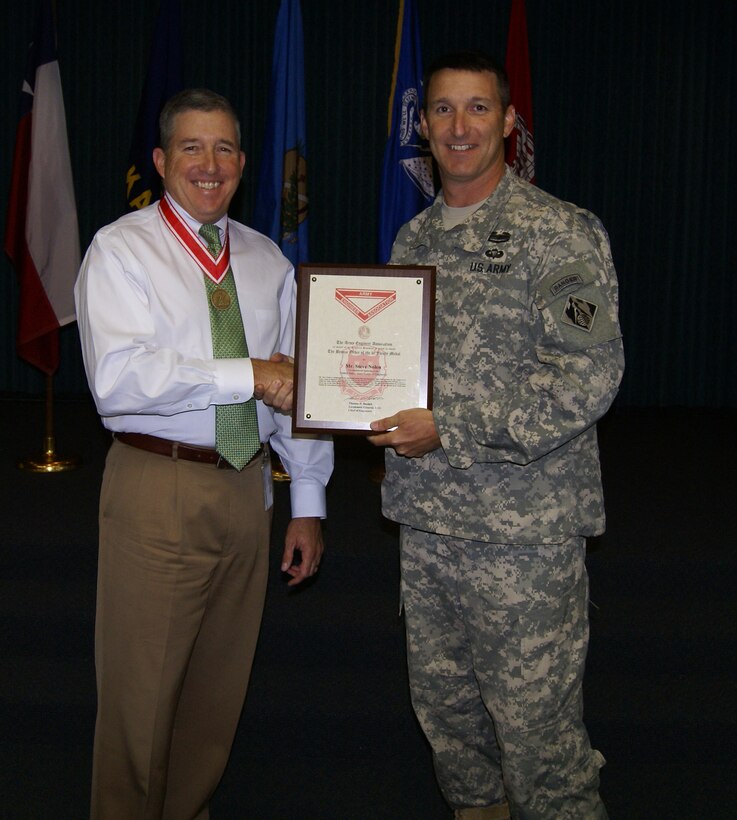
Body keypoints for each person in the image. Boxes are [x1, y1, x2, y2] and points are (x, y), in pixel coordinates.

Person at [369, 52, 623, 820]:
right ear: (421, 124)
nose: (458, 126)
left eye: (477, 108)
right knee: (455, 741)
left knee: (540, 750)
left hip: (525, 539)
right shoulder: (411, 242)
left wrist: (452, 427)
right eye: (442, 109)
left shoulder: (557, 232)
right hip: (429, 528)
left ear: (508, 123)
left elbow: (588, 377)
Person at [74, 88, 333, 819]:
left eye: (224, 149)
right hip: (159, 485)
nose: (209, 164)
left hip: (247, 492)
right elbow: (120, 382)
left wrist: (307, 503)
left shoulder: (266, 259)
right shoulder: (122, 250)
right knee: (139, 708)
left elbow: (296, 390)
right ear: (160, 161)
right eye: (191, 147)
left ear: (244, 164)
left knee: (212, 707)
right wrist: (247, 373)